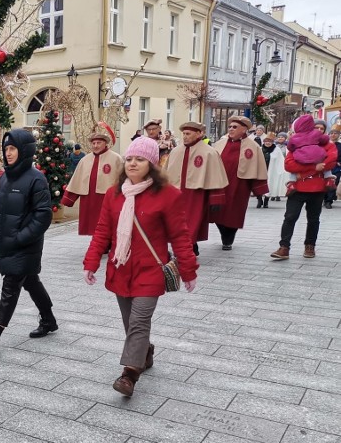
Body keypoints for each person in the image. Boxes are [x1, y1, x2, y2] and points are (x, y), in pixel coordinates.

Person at [83, 136, 198, 397]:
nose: (133, 163)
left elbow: (180, 235)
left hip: (150, 271)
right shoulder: (114, 194)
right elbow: (102, 231)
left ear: (153, 164)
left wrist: (188, 270)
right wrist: (91, 262)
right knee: (130, 322)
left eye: (141, 159)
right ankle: (145, 352)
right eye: (130, 159)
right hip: (120, 268)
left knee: (138, 321)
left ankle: (129, 375)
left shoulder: (168, 195)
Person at [0, 129, 57, 356]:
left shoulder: (36, 179)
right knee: (30, 281)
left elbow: (43, 216)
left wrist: (19, 239)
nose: (8, 153)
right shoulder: (5, 177)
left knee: (10, 287)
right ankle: (49, 319)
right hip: (6, 243)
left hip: (25, 245)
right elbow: (1, 211)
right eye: (6, 149)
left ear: (25, 150)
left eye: (12, 148)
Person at [270, 119, 338, 260]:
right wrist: (314, 168)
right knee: (290, 217)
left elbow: (330, 161)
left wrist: (304, 171)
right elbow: (289, 165)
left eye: (321, 128)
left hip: (317, 188)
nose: (318, 130)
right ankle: (284, 247)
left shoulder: (327, 145)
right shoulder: (299, 142)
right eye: (316, 127)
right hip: (298, 188)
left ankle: (310, 246)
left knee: (313, 219)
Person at [162, 122, 228, 255]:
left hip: (196, 194)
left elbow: (215, 176)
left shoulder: (209, 152)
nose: (185, 137)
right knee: (176, 223)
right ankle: (189, 247)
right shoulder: (175, 151)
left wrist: (216, 197)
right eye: (184, 134)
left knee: (191, 222)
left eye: (188, 134)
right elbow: (165, 173)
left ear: (199, 134)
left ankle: (187, 248)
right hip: (177, 193)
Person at [210, 116, 269, 250]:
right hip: (220, 184)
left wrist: (259, 188)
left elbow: (258, 166)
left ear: (244, 130)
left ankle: (228, 238)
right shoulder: (220, 143)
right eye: (230, 126)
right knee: (217, 211)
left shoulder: (253, 146)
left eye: (234, 127)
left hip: (239, 186)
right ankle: (224, 233)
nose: (231, 129)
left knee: (234, 212)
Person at [61, 130, 123, 236]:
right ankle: (96, 242)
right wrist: (69, 199)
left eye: (98, 143)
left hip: (107, 198)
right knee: (92, 224)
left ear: (105, 143)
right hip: (89, 199)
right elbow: (76, 180)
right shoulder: (84, 160)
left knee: (108, 222)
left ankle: (108, 242)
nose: (95, 145)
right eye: (93, 143)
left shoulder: (116, 158)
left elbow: (123, 179)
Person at [267, 132, 288, 202]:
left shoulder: (287, 146)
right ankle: (273, 194)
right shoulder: (274, 146)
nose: (280, 138)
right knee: (274, 179)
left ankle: (278, 194)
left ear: (285, 138)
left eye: (282, 137)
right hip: (275, 165)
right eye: (279, 137)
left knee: (281, 180)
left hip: (283, 164)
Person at [326, 127, 341, 208]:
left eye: (335, 133)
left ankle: (329, 201)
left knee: (334, 183)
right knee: (325, 183)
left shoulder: (340, 146)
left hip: (336, 167)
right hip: (326, 166)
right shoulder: (325, 144)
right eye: (331, 133)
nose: (333, 135)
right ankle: (324, 198)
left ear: (339, 135)